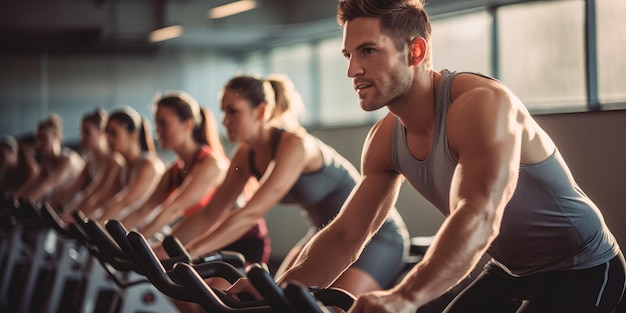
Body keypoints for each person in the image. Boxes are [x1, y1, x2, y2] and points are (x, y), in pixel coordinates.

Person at [228, 1, 626, 312]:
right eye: (348, 55)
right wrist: (279, 289)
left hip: (583, 265)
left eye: (367, 51)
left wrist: (404, 296)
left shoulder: (480, 105)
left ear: (415, 50)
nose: (352, 70)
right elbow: (347, 235)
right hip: (510, 268)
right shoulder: (385, 139)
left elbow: (479, 215)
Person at [176, 74, 409, 297]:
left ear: (261, 111)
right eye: (223, 111)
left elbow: (251, 213)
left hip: (377, 236)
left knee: (331, 308)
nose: (225, 121)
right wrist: (166, 250)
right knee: (277, 302)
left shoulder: (296, 145)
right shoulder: (246, 154)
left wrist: (191, 252)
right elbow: (211, 212)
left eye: (233, 112)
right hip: (326, 236)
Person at [117, 92, 230, 237]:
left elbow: (175, 209)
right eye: (157, 124)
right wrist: (113, 235)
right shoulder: (174, 170)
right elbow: (144, 209)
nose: (157, 130)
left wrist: (136, 241)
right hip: (204, 240)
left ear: (187, 124)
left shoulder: (211, 163)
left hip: (235, 242)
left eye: (163, 123)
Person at [65, 106, 165, 221]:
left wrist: (99, 224)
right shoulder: (122, 167)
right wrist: (74, 218)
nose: (108, 139)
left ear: (134, 135)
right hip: (127, 228)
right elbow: (102, 199)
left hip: (145, 232)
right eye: (106, 133)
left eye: (113, 133)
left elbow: (124, 202)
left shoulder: (149, 164)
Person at [48, 109, 124, 213]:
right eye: (81, 131)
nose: (82, 136)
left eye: (87, 132)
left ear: (101, 133)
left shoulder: (113, 160)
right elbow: (71, 190)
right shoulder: (90, 162)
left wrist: (69, 215)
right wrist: (50, 207)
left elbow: (95, 194)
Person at [14, 114, 85, 204]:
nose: (39, 143)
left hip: (79, 207)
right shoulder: (46, 161)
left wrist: (22, 203)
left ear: (57, 137)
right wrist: (15, 196)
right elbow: (34, 182)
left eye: (44, 138)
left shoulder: (68, 159)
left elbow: (49, 185)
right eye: (38, 138)